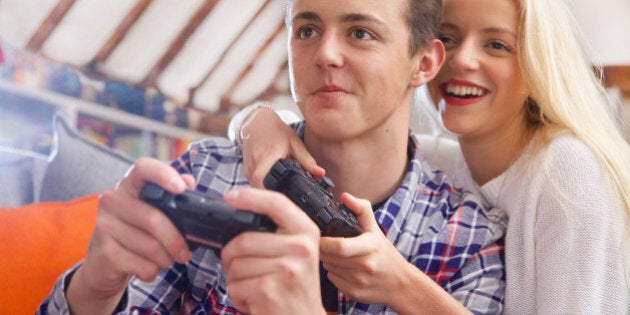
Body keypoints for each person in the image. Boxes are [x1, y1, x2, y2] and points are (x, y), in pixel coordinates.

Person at [38, 0, 507, 314]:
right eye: (306, 29)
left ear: (424, 63)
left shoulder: (470, 245)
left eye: (360, 32)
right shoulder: (204, 174)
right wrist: (94, 290)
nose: (325, 53)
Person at [232, 0, 630, 313]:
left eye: (496, 44)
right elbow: (298, 131)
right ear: (424, 59)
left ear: (538, 64)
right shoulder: (452, 161)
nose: (461, 61)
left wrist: (400, 284)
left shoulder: (569, 172)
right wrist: (255, 120)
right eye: (450, 39)